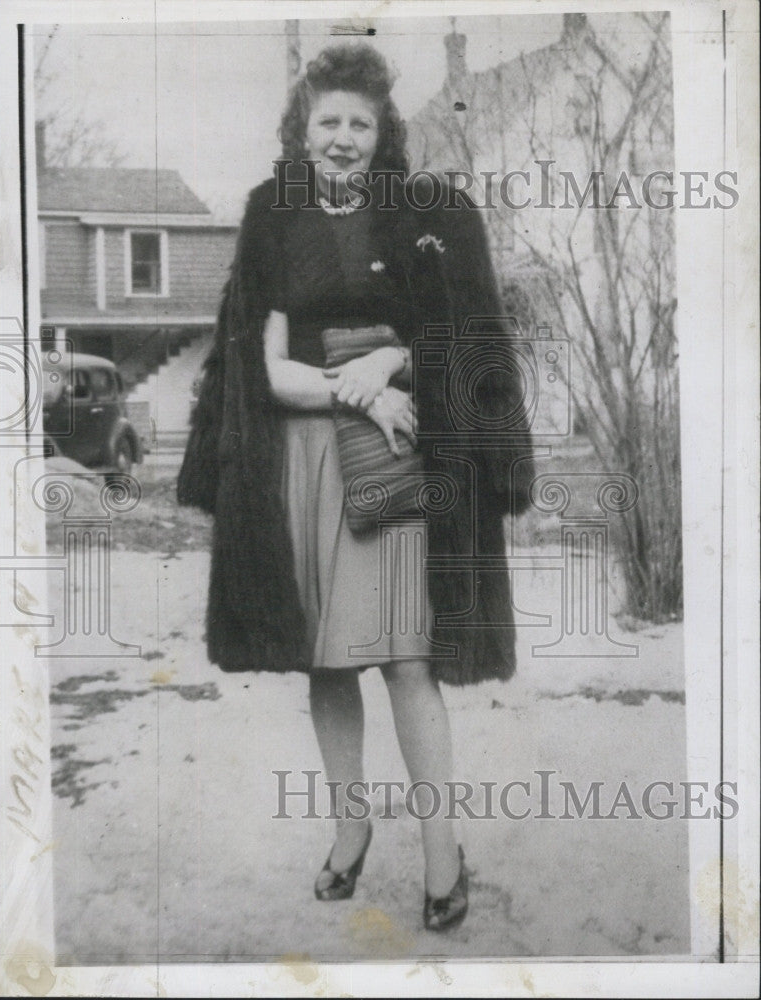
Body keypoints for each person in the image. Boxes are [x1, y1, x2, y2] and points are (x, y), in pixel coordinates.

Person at [177, 43, 534, 932]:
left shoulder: (428, 213)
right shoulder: (271, 214)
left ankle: (442, 854)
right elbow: (263, 369)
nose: (342, 139)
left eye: (359, 125)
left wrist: (395, 357)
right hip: (304, 459)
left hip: (402, 458)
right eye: (327, 122)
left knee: (410, 659)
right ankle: (349, 829)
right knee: (327, 660)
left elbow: (465, 336)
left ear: (384, 134)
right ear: (302, 130)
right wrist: (355, 387)